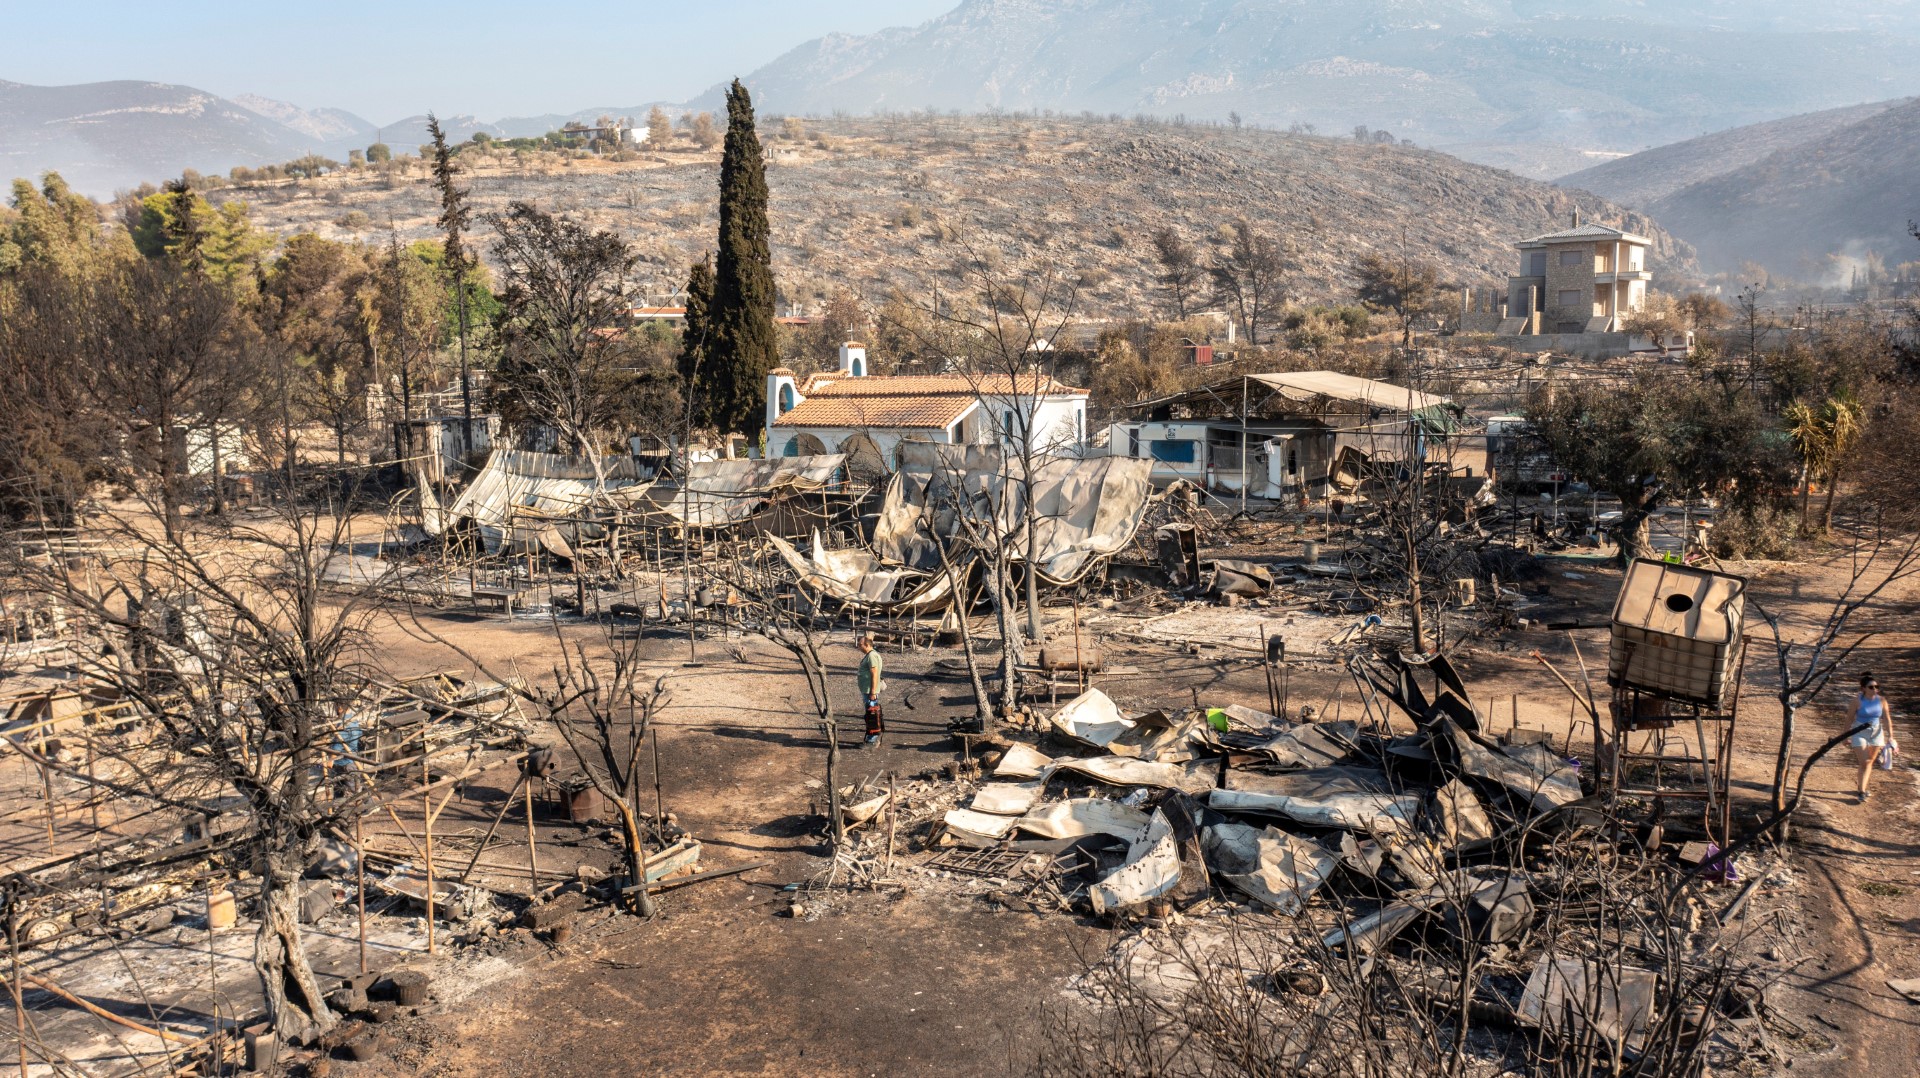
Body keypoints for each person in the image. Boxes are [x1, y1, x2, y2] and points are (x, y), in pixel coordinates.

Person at [1848, 673, 1896, 803]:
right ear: (1863, 688)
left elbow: (1886, 719)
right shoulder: (1857, 701)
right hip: (1859, 731)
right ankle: (1862, 792)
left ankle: (1861, 787)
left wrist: (1891, 736)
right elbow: (1849, 718)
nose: (1875, 689)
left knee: (1869, 762)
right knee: (1864, 761)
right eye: (1871, 687)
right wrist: (1845, 735)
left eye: (1876, 687)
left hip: (1876, 733)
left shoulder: (1881, 700)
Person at [856, 634, 884, 747]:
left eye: (860, 645)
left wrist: (872, 692)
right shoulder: (869, 655)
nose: (858, 647)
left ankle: (872, 739)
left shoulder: (872, 656)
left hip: (869, 691)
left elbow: (874, 674)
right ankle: (871, 736)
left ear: (867, 645)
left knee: (872, 714)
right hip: (867, 690)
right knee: (870, 713)